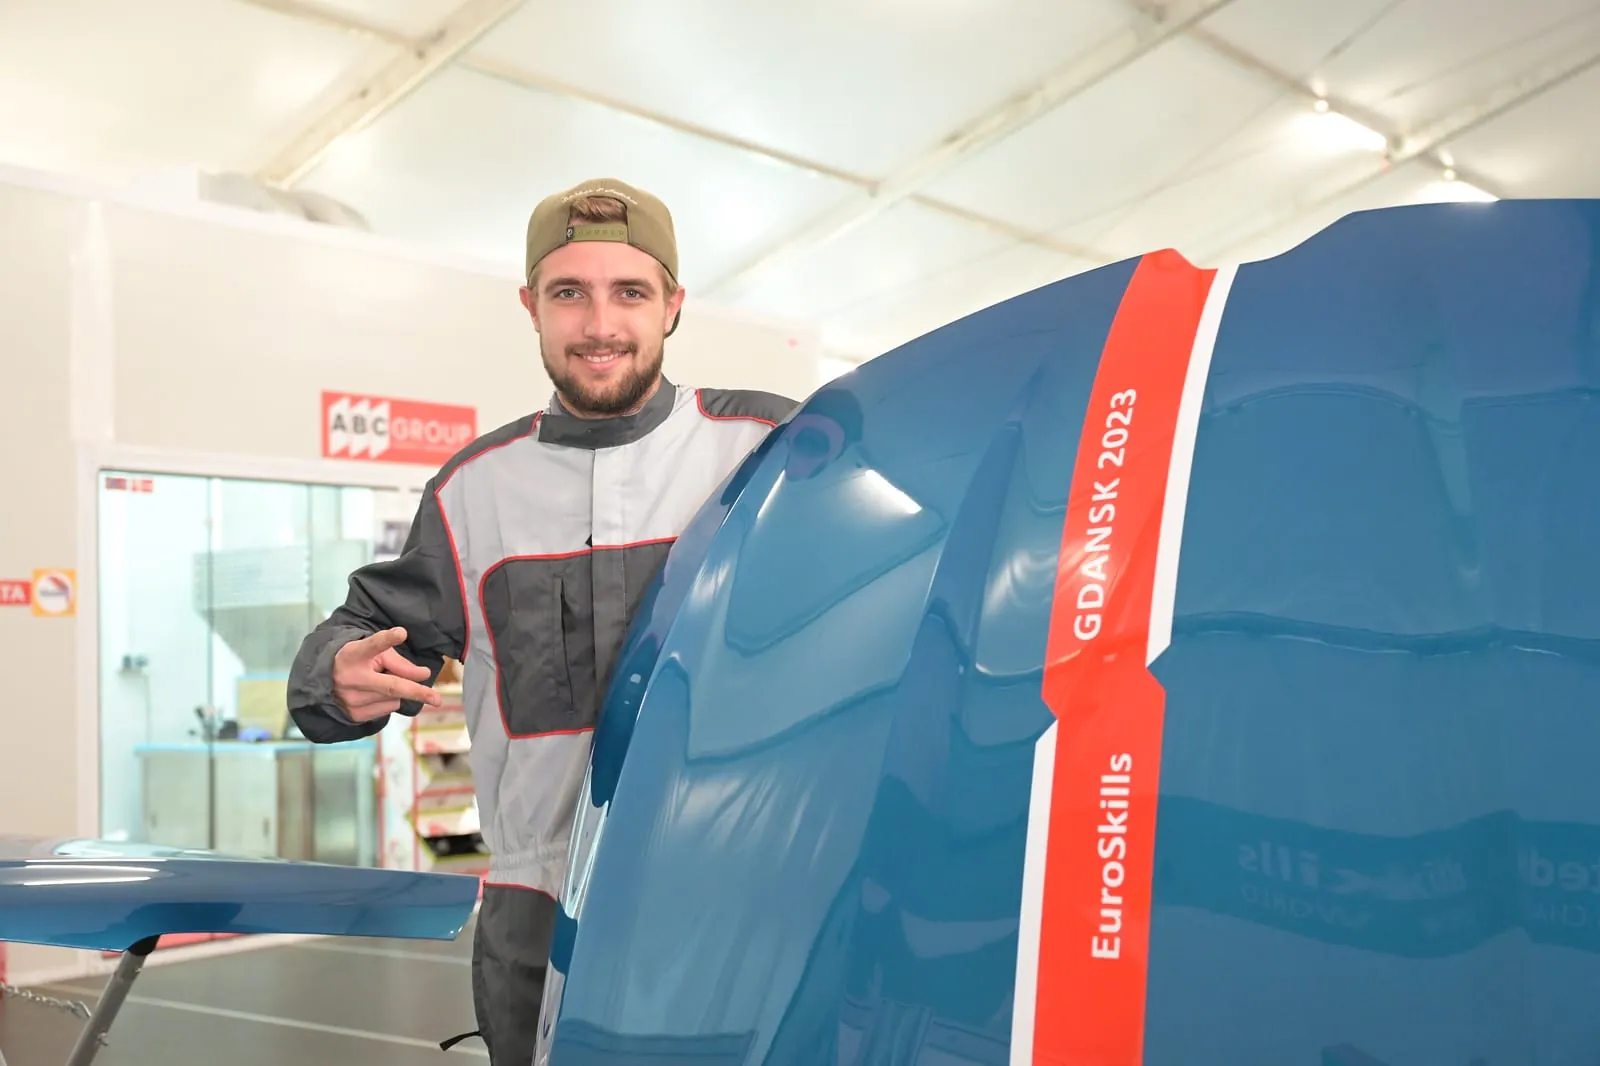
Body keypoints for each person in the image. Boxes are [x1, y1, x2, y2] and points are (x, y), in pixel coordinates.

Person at [286, 178, 796, 1065]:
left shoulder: (772, 448)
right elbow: (361, 630)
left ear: (674, 304)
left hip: (736, 891)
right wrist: (334, 672)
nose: (599, 323)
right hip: (538, 912)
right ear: (531, 306)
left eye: (629, 292)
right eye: (569, 293)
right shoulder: (472, 491)